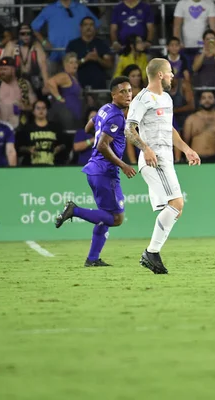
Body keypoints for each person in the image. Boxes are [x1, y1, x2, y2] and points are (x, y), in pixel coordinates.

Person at [124, 58, 202, 274]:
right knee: (176, 203)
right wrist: (145, 148)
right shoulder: (141, 99)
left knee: (174, 210)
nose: (172, 76)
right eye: (169, 72)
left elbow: (169, 129)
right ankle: (151, 253)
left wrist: (186, 149)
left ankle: (152, 254)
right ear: (160, 75)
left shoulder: (166, 98)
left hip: (166, 158)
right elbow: (129, 129)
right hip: (153, 159)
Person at [54, 77, 135, 267]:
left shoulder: (105, 109)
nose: (128, 95)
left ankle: (92, 259)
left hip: (95, 170)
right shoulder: (115, 116)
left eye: (130, 91)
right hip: (105, 172)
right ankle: (75, 210)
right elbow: (102, 145)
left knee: (104, 217)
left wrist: (102, 129)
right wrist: (123, 165)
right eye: (122, 91)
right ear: (113, 94)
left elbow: (88, 127)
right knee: (117, 219)